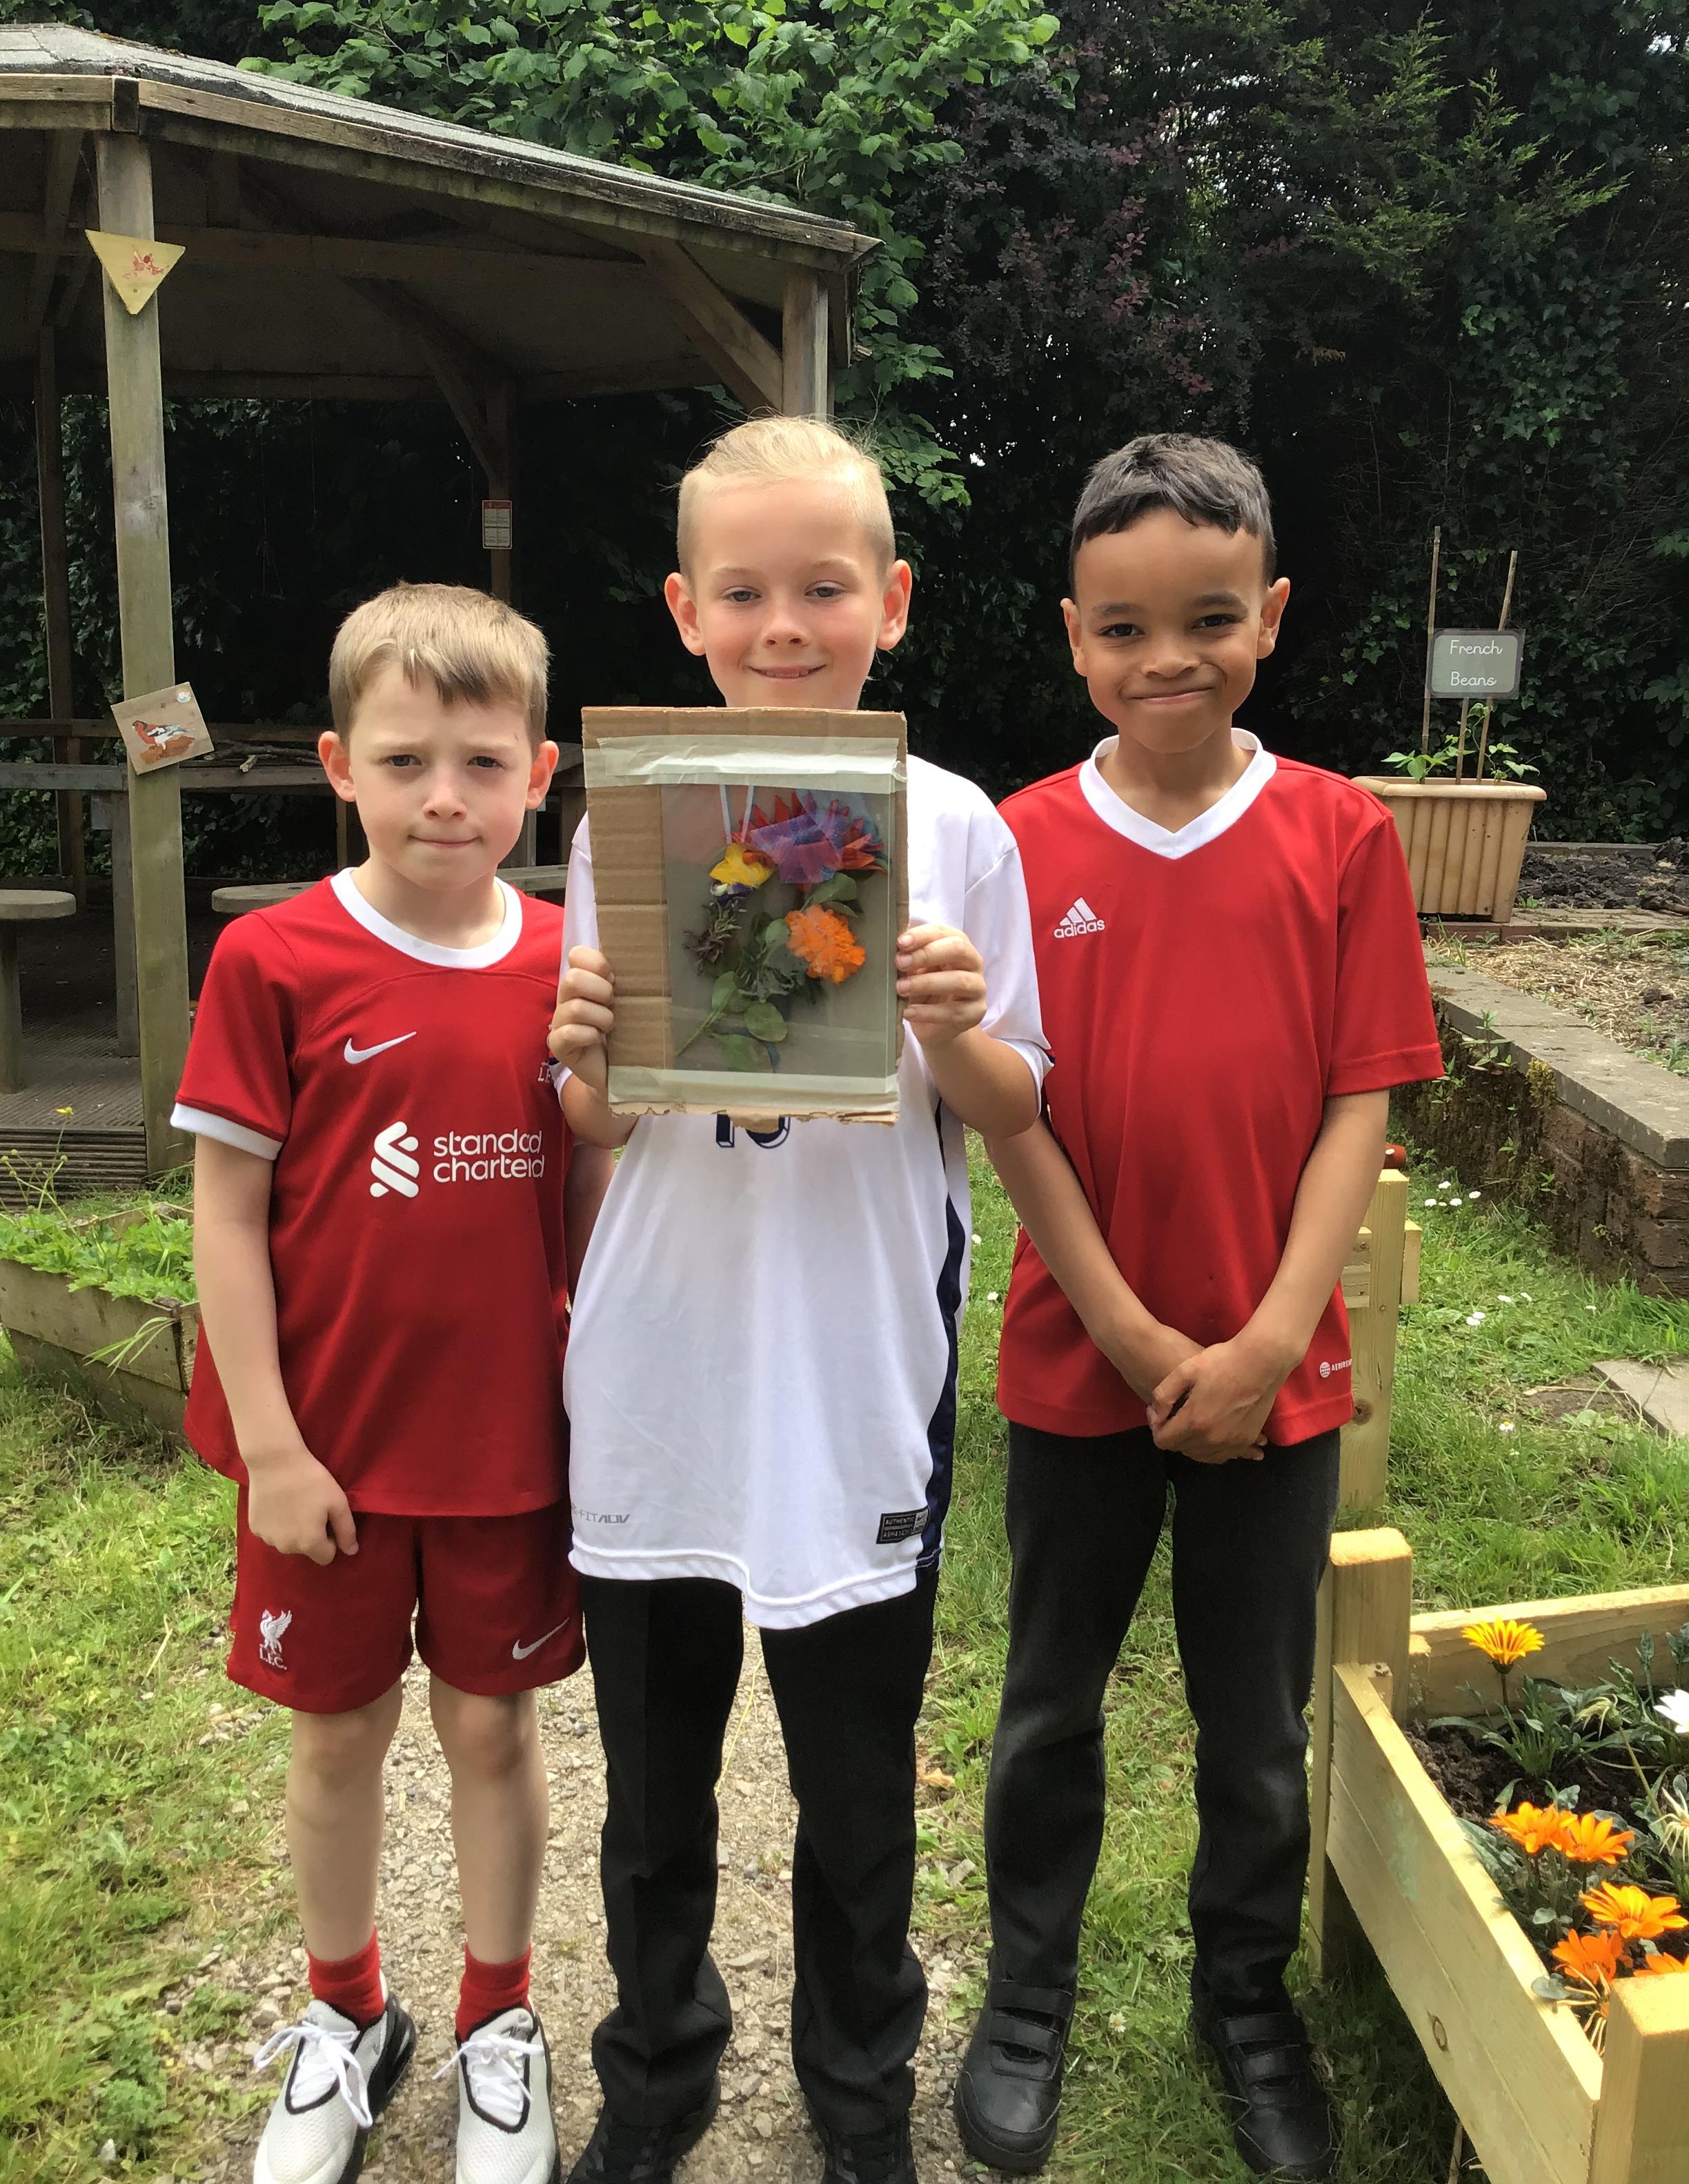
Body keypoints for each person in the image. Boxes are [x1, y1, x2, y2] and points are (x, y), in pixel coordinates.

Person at [549, 416, 1049, 2184]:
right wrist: (584, 1056)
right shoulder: (630, 820)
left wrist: (954, 1026)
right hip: (659, 1382)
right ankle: (656, 2077)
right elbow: (596, 1120)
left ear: (890, 602)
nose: (784, 625)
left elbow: (1012, 1103)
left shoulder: (954, 827)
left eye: (823, 588)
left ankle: (859, 2100)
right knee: (653, 1789)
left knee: (854, 1797)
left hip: (854, 1388)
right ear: (685, 609)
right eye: (744, 591)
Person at [954, 435, 1441, 2181]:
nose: (1170, 659)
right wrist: (1138, 1337)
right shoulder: (1015, 843)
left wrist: (1264, 1343)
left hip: (1276, 1379)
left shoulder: (1342, 834)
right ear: (1074, 636)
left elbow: (1362, 1098)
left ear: (1272, 614)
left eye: (1211, 619)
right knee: (1048, 1706)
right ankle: (1028, 1995)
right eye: (1126, 628)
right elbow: (1013, 1118)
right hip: (1079, 1362)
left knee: (1256, 1726)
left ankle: (1245, 1998)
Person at [177, 583, 611, 2184]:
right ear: (337, 766)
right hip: (332, 1458)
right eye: (406, 759)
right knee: (337, 1738)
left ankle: (500, 2019)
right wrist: (275, 1448)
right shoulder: (272, 959)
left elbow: (590, 1196)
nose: (446, 797)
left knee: (494, 1734)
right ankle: (347, 2013)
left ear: (540, 774)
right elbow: (227, 1218)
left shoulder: (574, 968)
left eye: (483, 763)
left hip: (508, 1449)